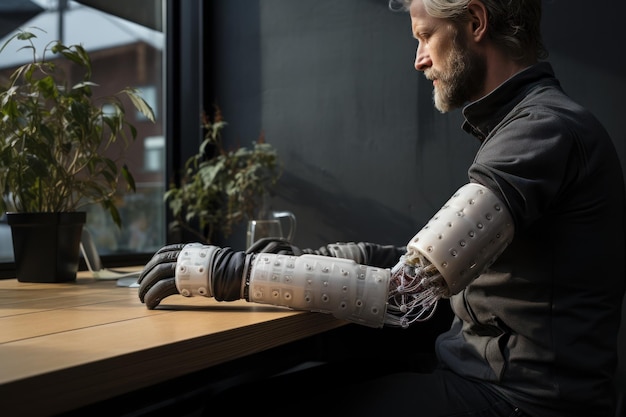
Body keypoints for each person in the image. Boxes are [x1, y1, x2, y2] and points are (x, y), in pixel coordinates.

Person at [137, 0, 626, 415]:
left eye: (425, 36)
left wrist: (229, 271)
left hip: (520, 401)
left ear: (475, 22)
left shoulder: (542, 129)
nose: (418, 59)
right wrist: (305, 259)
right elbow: (433, 271)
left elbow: (407, 292)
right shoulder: (533, 125)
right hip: (483, 376)